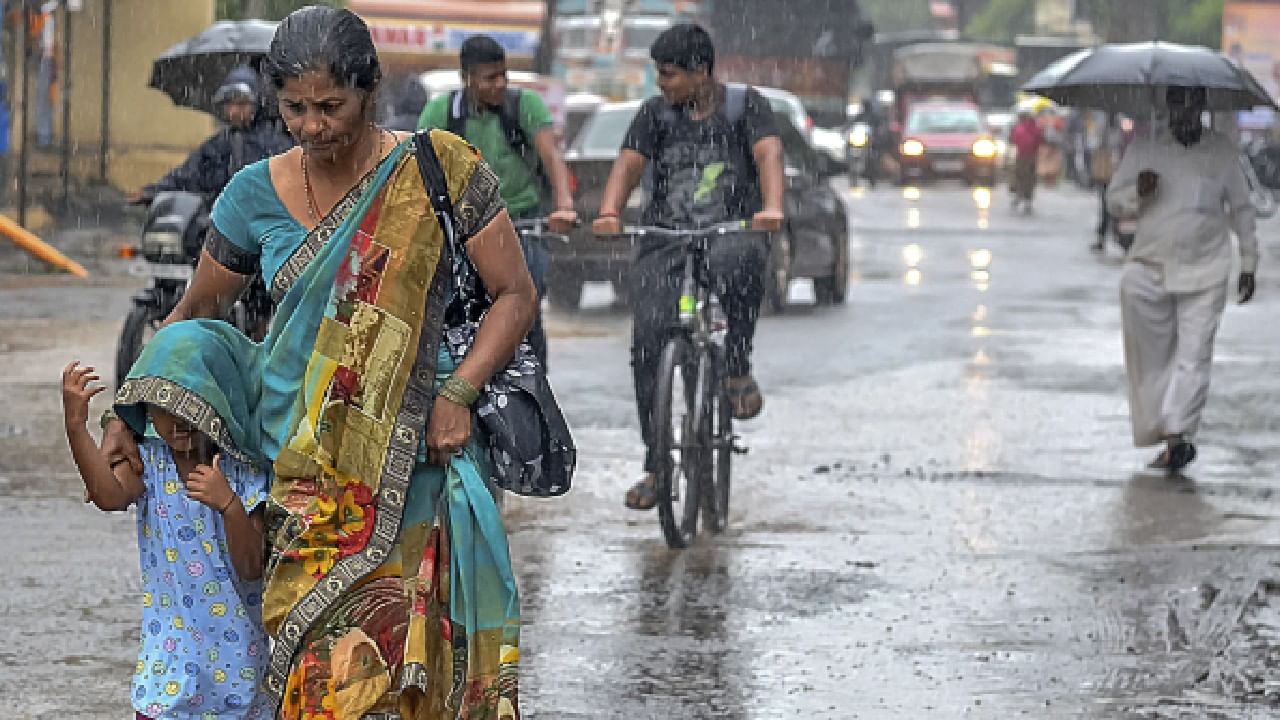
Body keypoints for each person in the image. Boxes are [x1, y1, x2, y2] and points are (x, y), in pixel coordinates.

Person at [100, 7, 537, 717]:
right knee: (321, 676)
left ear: (369, 91)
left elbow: (515, 294)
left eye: (330, 106)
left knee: (409, 670)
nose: (312, 126)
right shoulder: (251, 195)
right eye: (294, 109)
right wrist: (131, 408)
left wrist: (459, 390)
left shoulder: (437, 169)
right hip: (302, 471)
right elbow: (194, 316)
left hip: (416, 458)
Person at [590, 23, 784, 511]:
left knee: (741, 267)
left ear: (701, 71)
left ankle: (737, 368)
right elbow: (629, 164)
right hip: (667, 235)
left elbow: (768, 155)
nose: (662, 84)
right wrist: (611, 210)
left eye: (670, 75)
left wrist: (772, 208)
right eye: (659, 74)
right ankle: (657, 465)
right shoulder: (655, 114)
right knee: (647, 344)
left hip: (730, 230)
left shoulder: (746, 106)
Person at [62, 321, 270, 719]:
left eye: (191, 404)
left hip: (237, 672)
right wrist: (76, 428)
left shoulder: (243, 473)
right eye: (164, 409)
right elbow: (108, 496)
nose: (179, 423)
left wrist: (228, 505)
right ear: (146, 407)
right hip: (167, 671)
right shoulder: (150, 462)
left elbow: (251, 566)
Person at [1107, 85, 1258, 472]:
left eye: (1194, 106)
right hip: (1150, 264)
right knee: (1151, 355)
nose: (1186, 114)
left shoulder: (1221, 152)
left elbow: (1242, 209)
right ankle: (1161, 425)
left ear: (1203, 110)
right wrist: (1138, 193)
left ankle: (1178, 438)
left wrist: (1249, 263)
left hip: (1206, 268)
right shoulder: (1146, 148)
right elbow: (1114, 200)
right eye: (1179, 105)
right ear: (1169, 109)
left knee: (1195, 355)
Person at [418, 35, 577, 368]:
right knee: (454, 315)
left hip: (521, 220)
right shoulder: (441, 113)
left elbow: (552, 156)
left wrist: (564, 205)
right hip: (464, 231)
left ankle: (535, 388)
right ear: (467, 79)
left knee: (525, 309)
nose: (500, 84)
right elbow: (418, 172)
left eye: (504, 75)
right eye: (490, 77)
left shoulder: (525, 105)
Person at [127, 66, 294, 206]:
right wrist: (152, 192)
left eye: (241, 103)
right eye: (229, 103)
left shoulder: (278, 146)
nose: (233, 111)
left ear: (257, 103)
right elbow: (187, 176)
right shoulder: (216, 145)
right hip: (219, 227)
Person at [1009, 108, 1045, 214]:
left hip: (1021, 156)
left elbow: (1014, 140)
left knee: (1019, 177)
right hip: (1032, 157)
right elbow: (1041, 140)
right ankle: (1027, 200)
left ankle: (1019, 196)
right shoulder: (1036, 128)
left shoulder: (1019, 128)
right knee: (1030, 179)